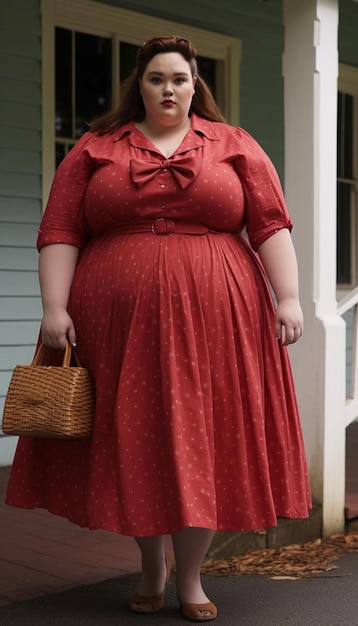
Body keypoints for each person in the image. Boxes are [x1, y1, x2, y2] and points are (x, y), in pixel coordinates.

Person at [6, 35, 311, 622]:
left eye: (179, 78)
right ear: (139, 85)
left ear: (196, 84)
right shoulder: (96, 148)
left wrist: (290, 297)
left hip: (220, 323)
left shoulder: (234, 144)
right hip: (116, 326)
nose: (168, 88)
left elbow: (270, 224)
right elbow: (61, 229)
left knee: (203, 437)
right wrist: (54, 307)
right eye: (156, 78)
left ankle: (191, 579)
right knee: (136, 437)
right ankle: (152, 568)